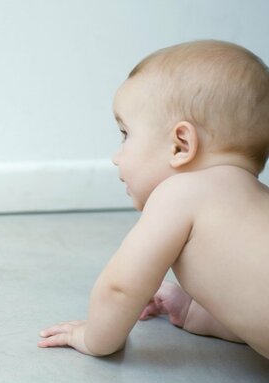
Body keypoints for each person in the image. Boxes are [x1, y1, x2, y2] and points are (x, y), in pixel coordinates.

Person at [38, 40, 269, 359]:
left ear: (180, 146)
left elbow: (121, 287)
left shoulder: (180, 192)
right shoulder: (254, 204)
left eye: (125, 134)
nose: (117, 157)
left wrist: (94, 338)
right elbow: (254, 315)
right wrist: (190, 310)